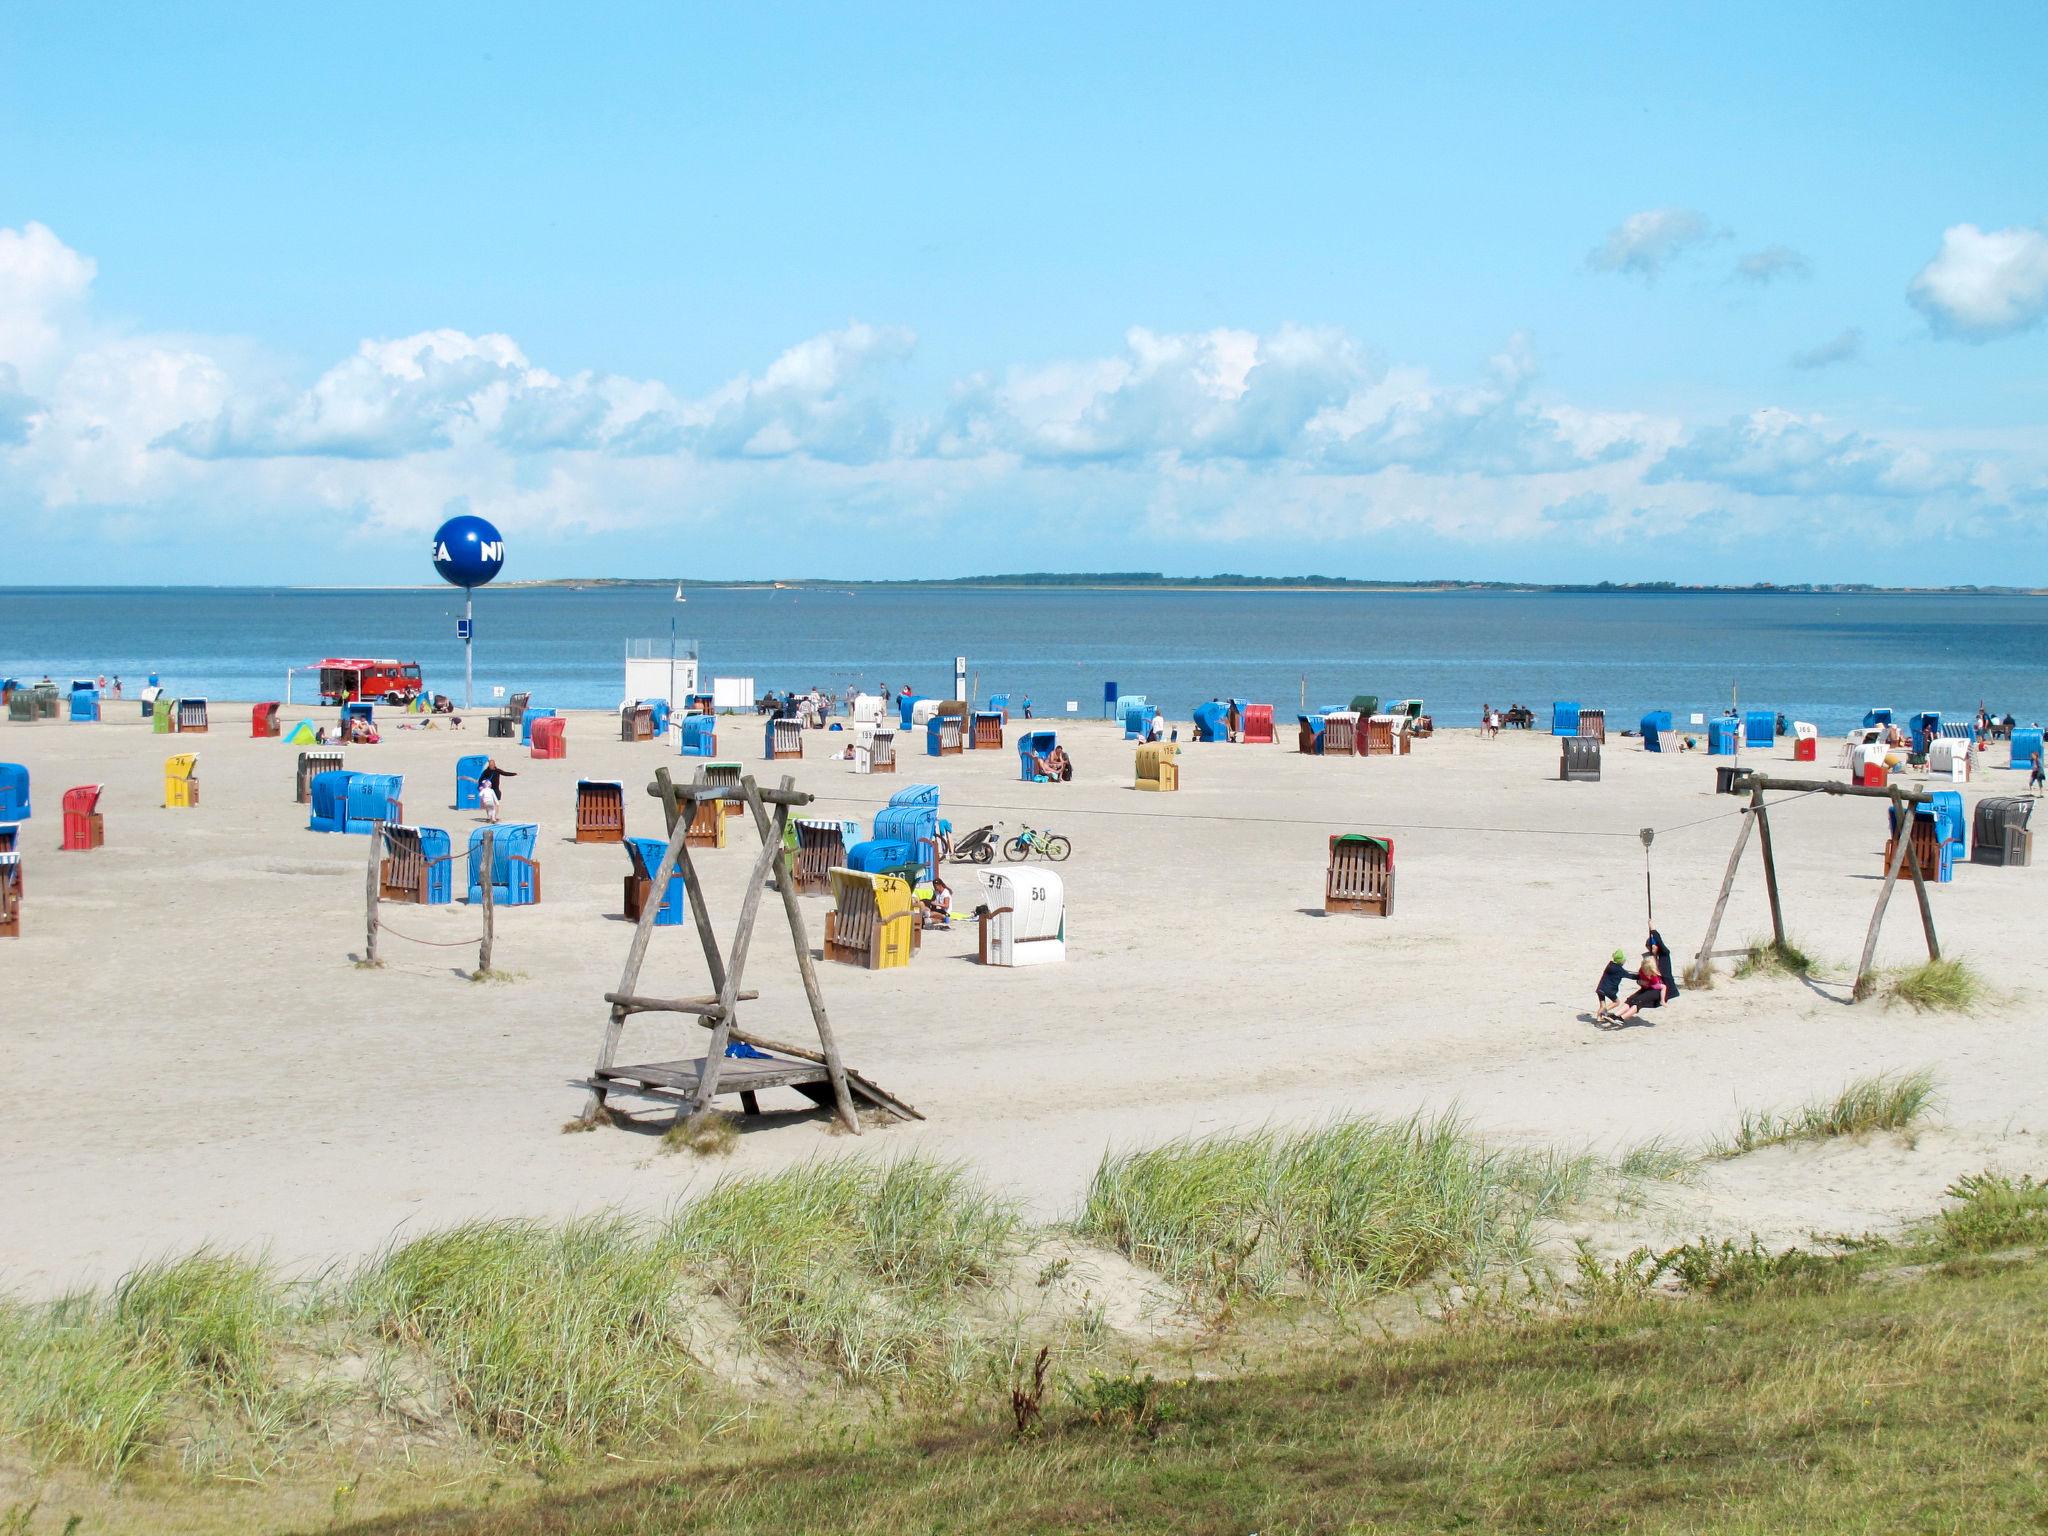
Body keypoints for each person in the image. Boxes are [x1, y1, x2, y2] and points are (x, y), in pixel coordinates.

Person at [1615, 953, 1667, 1021]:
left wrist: (1643, 983)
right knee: (1632, 1000)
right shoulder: (1650, 972)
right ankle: (1617, 1016)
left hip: (1650, 989)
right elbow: (1653, 983)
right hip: (1650, 987)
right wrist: (1643, 983)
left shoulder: (1644, 971)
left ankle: (1619, 1016)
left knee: (1635, 1001)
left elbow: (1648, 983)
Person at [1594, 949, 1631, 1023]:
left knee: (1602, 1005)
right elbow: (1630, 976)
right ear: (1621, 961)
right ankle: (1604, 1012)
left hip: (1600, 988)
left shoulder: (1610, 965)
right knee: (1616, 1002)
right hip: (1608, 990)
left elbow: (1623, 971)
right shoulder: (1620, 970)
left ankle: (1599, 1019)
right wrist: (1640, 976)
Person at [478, 758, 517, 823]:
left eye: (492, 765)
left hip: (496, 789)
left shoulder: (497, 770)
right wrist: (482, 786)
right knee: (489, 804)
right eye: (490, 765)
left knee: (496, 804)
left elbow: (505, 773)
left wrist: (514, 774)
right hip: (488, 789)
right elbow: (480, 779)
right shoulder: (486, 771)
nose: (491, 766)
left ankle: (494, 817)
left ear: (494, 764)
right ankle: (489, 817)